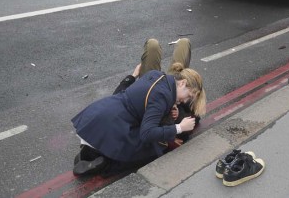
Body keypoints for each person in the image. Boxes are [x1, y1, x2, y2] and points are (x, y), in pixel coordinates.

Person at [71, 39, 206, 176]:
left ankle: (87, 153)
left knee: (153, 44)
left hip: (98, 115)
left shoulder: (155, 75)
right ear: (182, 83)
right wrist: (179, 128)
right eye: (188, 96)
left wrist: (132, 76)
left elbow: (122, 95)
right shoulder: (162, 97)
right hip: (116, 127)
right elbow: (147, 133)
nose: (185, 100)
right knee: (154, 149)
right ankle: (106, 163)